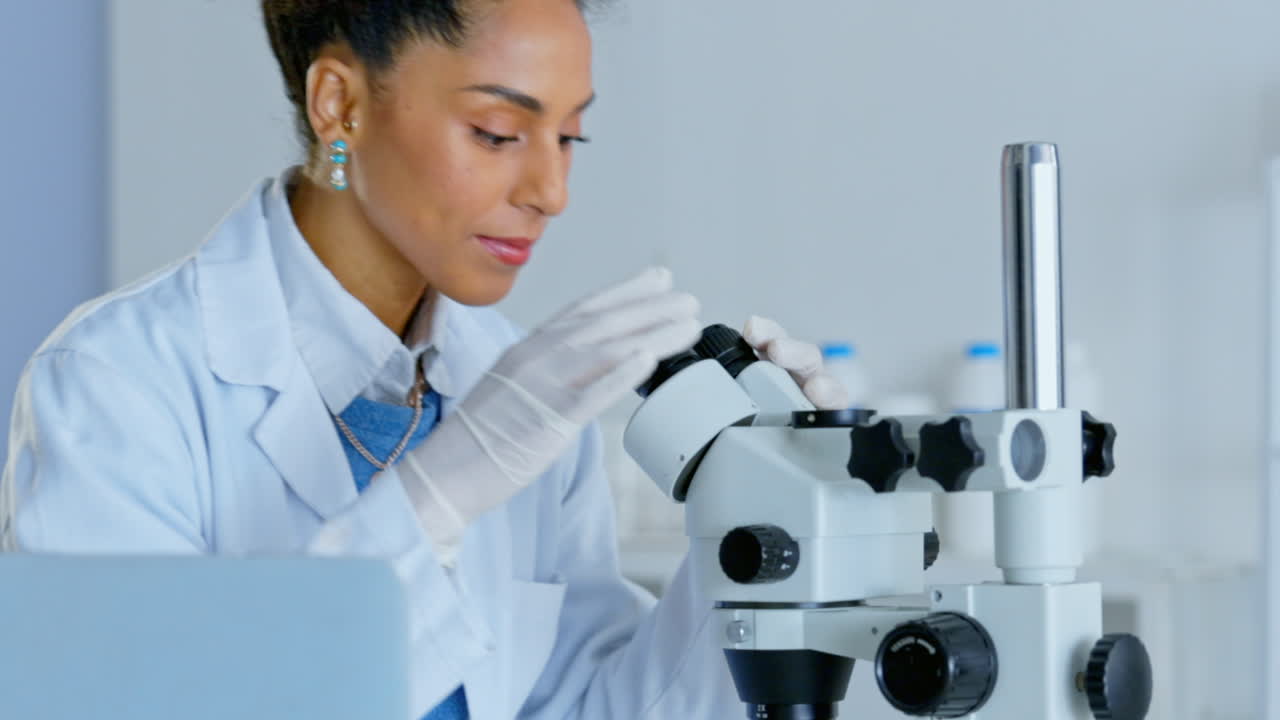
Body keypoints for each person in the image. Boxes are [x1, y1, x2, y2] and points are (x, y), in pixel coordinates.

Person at [0, 1, 848, 717]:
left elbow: (581, 704)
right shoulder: (117, 379)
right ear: (340, 105)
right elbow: (133, 703)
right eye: (497, 131)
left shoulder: (520, 393)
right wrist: (434, 497)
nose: (550, 192)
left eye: (570, 138)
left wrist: (755, 536)